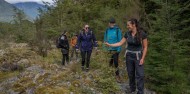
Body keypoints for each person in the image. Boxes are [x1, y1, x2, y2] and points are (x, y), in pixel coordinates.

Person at [105, 18, 148, 94]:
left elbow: (145, 47)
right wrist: (110, 45)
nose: (127, 26)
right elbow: (120, 43)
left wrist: (143, 58)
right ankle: (132, 89)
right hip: (129, 56)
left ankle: (140, 91)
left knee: (140, 75)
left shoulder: (142, 34)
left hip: (138, 56)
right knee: (130, 73)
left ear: (133, 25)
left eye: (128, 25)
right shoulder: (127, 34)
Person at [104, 18, 122, 83]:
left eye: (112, 23)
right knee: (109, 62)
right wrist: (105, 48)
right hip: (109, 49)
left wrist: (119, 49)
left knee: (116, 63)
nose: (111, 24)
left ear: (114, 23)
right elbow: (105, 40)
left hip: (115, 49)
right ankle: (109, 75)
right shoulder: (107, 30)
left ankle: (117, 76)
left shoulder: (117, 30)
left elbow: (120, 40)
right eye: (110, 23)